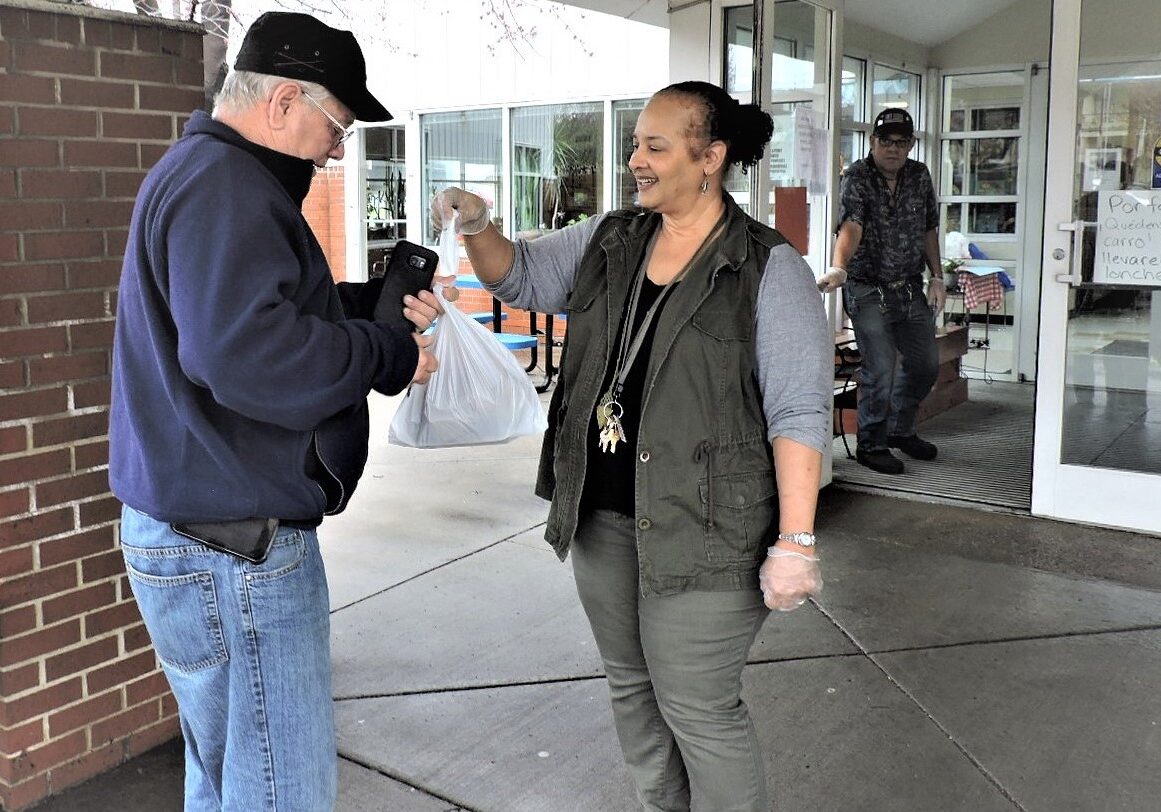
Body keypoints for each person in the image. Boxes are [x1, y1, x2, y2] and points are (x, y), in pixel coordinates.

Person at [433, 81, 831, 811]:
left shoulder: (768, 270)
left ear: (709, 158)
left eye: (655, 145)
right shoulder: (611, 239)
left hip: (708, 530)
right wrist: (478, 222)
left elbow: (798, 411)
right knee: (631, 691)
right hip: (603, 517)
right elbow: (515, 273)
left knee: (700, 711)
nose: (635, 160)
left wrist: (796, 541)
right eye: (635, 144)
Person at [109, 12, 445, 810]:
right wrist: (387, 353)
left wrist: (366, 309)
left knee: (225, 775)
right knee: (278, 790)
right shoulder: (227, 187)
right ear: (284, 100)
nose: (338, 149)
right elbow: (251, 358)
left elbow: (257, 314)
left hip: (198, 533)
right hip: (236, 550)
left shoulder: (206, 175)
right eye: (338, 125)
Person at [827, 107, 946, 475]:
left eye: (900, 142)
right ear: (872, 141)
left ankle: (900, 429)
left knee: (925, 365)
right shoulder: (858, 176)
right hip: (867, 288)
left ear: (910, 144)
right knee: (880, 368)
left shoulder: (919, 175)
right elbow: (852, 225)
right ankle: (872, 443)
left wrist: (938, 277)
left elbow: (928, 228)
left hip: (910, 286)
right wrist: (839, 268)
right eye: (885, 141)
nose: (892, 149)